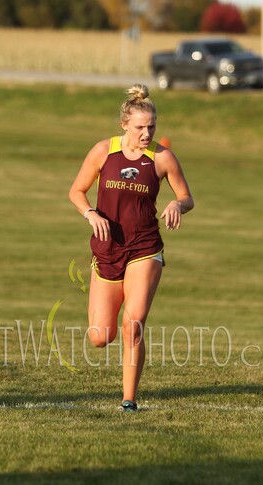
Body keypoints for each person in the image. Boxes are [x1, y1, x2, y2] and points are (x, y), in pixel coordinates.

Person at [68, 84, 194, 412]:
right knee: (100, 336)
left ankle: (129, 400)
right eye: (140, 127)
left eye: (151, 127)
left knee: (133, 322)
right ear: (124, 124)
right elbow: (76, 191)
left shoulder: (162, 157)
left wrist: (176, 206)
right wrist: (90, 213)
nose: (146, 133)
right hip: (107, 249)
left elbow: (186, 197)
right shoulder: (103, 152)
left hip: (145, 247)